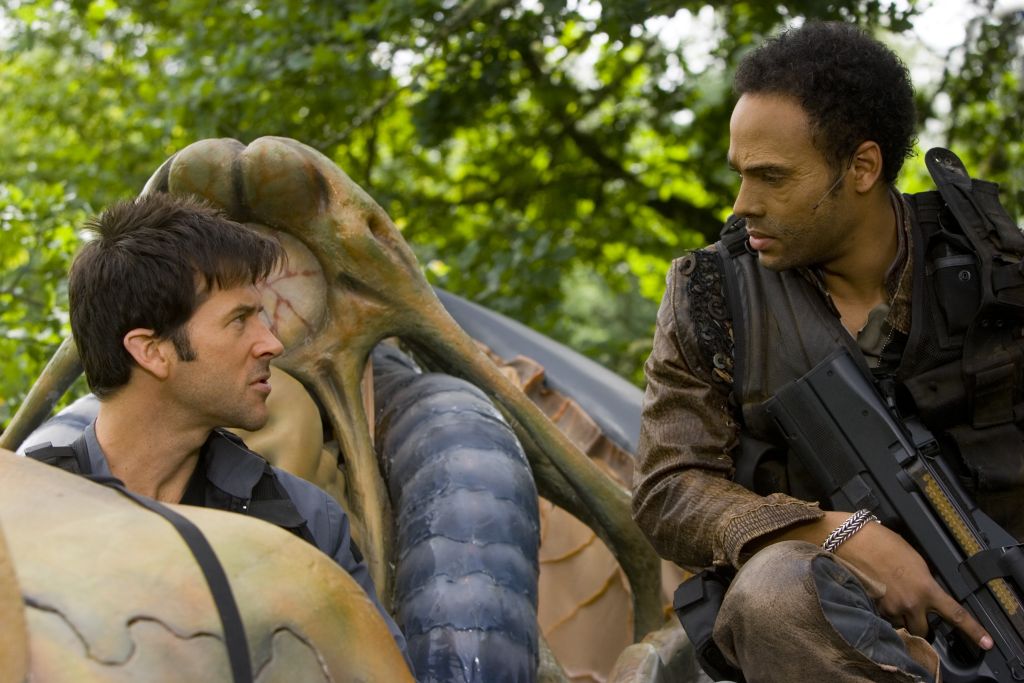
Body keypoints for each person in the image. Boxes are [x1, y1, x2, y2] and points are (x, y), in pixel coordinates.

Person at [632, 21, 1022, 682]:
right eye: (741, 175)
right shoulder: (712, 294)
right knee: (774, 592)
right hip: (821, 629)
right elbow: (668, 489)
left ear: (862, 167)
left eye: (772, 178)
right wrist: (829, 532)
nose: (743, 205)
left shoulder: (998, 277)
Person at [31, 191, 410, 664]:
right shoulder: (25, 518)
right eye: (240, 320)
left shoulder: (304, 522)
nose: (271, 343)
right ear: (151, 351)